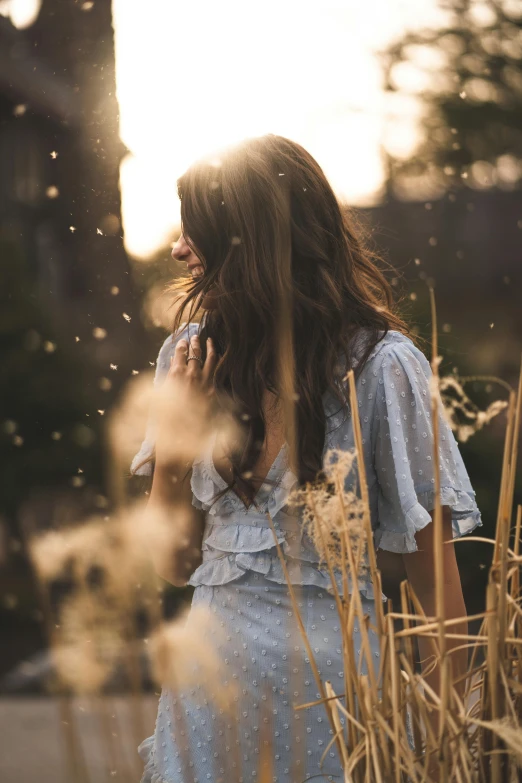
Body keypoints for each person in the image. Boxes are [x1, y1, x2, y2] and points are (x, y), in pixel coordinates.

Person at [130, 134, 482, 783]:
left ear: (252, 242)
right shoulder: (186, 358)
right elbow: (173, 564)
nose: (179, 249)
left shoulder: (381, 367)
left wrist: (449, 744)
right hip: (207, 708)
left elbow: (436, 588)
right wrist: (178, 441)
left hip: (340, 713)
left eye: (197, 231)